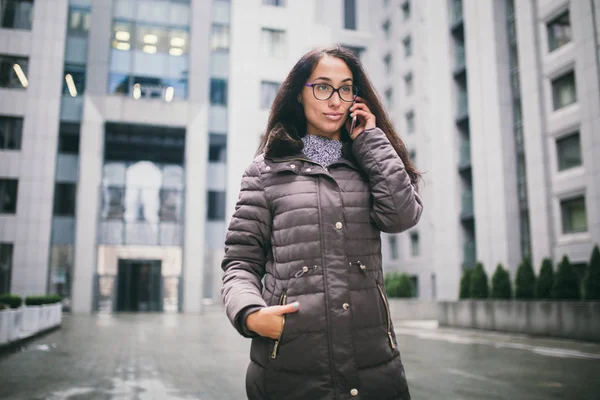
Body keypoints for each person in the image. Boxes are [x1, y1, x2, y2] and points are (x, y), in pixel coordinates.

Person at [221, 46, 423, 400]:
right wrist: (250, 314)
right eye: (323, 87)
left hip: (374, 367)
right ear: (299, 93)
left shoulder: (367, 163)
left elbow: (402, 216)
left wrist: (372, 141)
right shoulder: (265, 171)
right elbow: (240, 262)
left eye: (346, 89)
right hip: (289, 368)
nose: (335, 100)